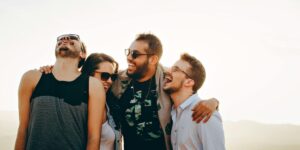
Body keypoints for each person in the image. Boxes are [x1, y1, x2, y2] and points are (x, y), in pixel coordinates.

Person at [109, 33, 220, 150]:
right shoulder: (116, 80)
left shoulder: (168, 79)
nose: (129, 57)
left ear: (153, 59)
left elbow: (190, 91)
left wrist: (214, 102)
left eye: (135, 54)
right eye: (128, 52)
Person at [15, 34, 106, 150]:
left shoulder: (93, 85)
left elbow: (93, 137)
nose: (65, 39)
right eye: (60, 38)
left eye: (73, 38)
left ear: (82, 54)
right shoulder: (31, 78)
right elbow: (23, 129)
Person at [163, 53, 225, 150]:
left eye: (175, 69)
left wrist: (215, 102)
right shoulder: (174, 112)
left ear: (189, 82)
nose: (167, 71)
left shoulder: (205, 113)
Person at [81, 53, 122, 150]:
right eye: (105, 75)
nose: (110, 81)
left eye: (113, 77)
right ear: (89, 73)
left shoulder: (110, 104)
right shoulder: (77, 105)